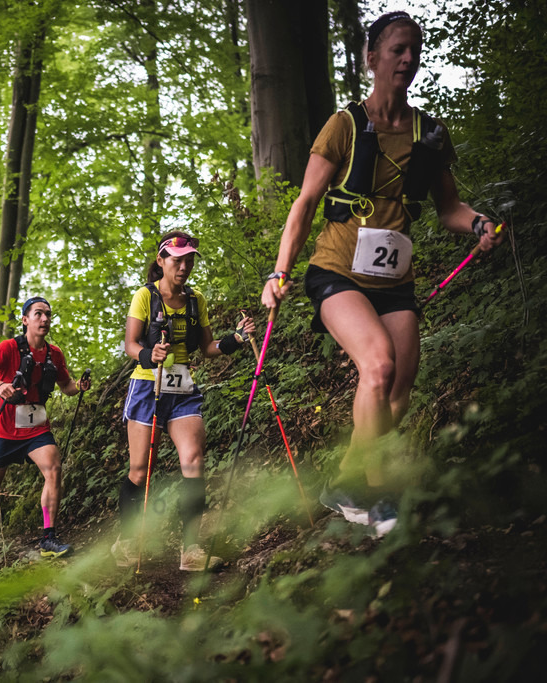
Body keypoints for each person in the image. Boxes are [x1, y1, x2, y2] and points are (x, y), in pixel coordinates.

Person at [260, 11, 505, 536]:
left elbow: (450, 207)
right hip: (336, 272)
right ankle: (378, 499)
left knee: (396, 392)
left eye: (415, 49)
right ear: (372, 58)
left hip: (395, 280)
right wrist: (279, 272)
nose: (408, 58)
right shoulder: (345, 125)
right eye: (397, 49)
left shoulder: (429, 134)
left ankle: (346, 483)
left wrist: (479, 222)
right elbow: (305, 204)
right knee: (377, 366)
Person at [114, 231, 255, 571]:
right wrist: (149, 354)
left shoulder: (196, 299)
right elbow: (130, 344)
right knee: (139, 470)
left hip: (182, 390)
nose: (184, 266)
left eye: (189, 260)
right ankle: (125, 542)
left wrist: (235, 339)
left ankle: (190, 550)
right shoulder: (145, 296)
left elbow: (207, 348)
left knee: (193, 460)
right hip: (147, 386)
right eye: (177, 260)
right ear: (161, 261)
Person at [0, 296, 92, 558]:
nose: (45, 319)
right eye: (38, 314)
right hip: (5, 430)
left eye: (48, 314)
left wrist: (79, 386)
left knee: (54, 469)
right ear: (25, 320)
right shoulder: (9, 347)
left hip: (37, 429)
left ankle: (48, 538)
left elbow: (66, 387)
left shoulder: (55, 354)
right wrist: (0, 385)